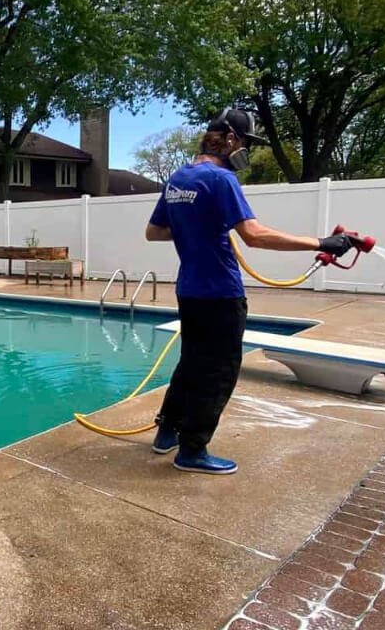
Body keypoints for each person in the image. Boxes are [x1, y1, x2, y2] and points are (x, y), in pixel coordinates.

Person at [145, 108, 356, 475]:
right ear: (230, 140)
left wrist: (198, 226)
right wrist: (321, 242)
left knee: (192, 362)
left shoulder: (178, 178)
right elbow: (254, 236)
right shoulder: (221, 178)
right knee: (219, 371)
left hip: (189, 290)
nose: (248, 151)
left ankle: (167, 432)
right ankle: (192, 450)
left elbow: (155, 232)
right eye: (246, 143)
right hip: (220, 293)